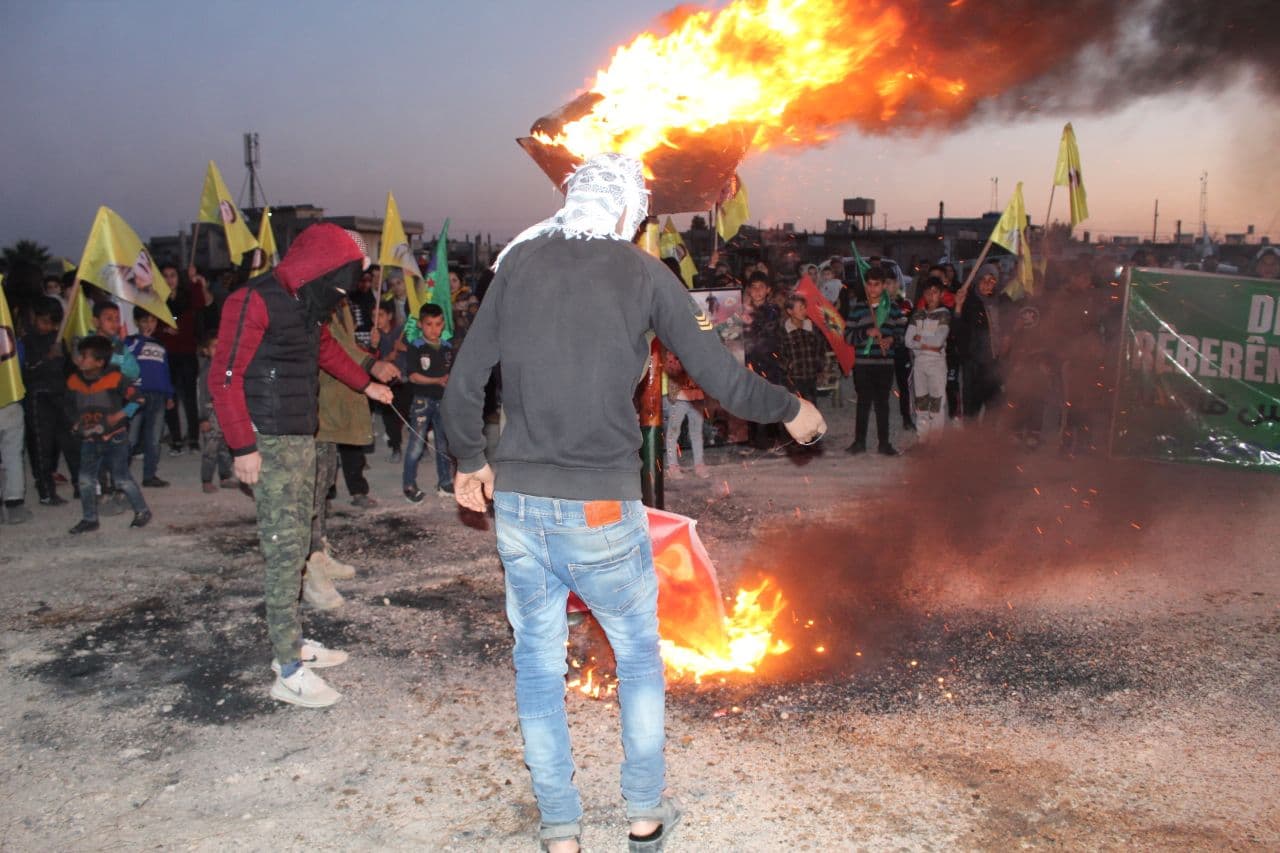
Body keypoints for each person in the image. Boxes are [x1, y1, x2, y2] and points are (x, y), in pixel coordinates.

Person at [441, 153, 826, 853]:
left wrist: (470, 460)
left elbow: (465, 381)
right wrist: (792, 408)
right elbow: (722, 380)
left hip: (520, 506)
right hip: (599, 506)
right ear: (627, 210)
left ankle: (560, 829)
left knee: (537, 666)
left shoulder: (517, 263)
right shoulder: (643, 272)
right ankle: (644, 815)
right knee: (638, 658)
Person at [209, 223, 393, 708]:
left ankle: (292, 642)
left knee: (300, 539)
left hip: (300, 437)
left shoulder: (306, 304)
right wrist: (242, 447)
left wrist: (366, 384)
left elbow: (325, 350)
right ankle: (287, 669)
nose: (343, 292)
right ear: (322, 268)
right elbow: (224, 377)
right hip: (267, 442)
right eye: (343, 279)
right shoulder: (253, 300)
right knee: (284, 549)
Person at [66, 335, 151, 534]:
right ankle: (89, 519)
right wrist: (75, 423)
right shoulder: (74, 381)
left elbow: (139, 400)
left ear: (100, 362)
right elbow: (68, 406)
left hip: (115, 437)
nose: (80, 359)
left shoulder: (115, 378)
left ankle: (142, 511)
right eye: (79, 355)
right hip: (89, 438)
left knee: (121, 479)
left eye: (85, 356)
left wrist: (118, 416)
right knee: (85, 480)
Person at [20, 297, 78, 507]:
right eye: (44, 321)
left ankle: (81, 485)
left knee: (71, 442)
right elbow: (25, 371)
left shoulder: (59, 339)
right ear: (34, 318)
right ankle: (45, 490)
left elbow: (68, 369)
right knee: (41, 446)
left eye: (53, 323)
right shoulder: (26, 341)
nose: (48, 327)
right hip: (38, 397)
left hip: (61, 395)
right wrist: (46, 358)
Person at [846, 266, 907, 456]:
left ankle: (884, 443)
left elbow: (902, 334)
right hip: (863, 364)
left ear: (884, 286)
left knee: (882, 403)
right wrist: (866, 332)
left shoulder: (892, 309)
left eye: (877, 284)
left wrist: (891, 340)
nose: (873, 288)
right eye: (870, 284)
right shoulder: (858, 309)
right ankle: (859, 442)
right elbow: (847, 336)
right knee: (863, 403)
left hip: (884, 364)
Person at [402, 303, 454, 502]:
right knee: (416, 444)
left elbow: (451, 372)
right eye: (429, 324)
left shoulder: (447, 347)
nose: (434, 329)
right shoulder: (416, 347)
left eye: (438, 324)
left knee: (443, 443)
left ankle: (445, 481)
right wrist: (437, 380)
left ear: (443, 324)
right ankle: (409, 484)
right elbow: (413, 376)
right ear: (420, 325)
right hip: (422, 401)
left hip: (443, 400)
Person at [159, 264, 208, 455]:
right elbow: (152, 325)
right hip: (167, 354)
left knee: (189, 398)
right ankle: (176, 439)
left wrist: (195, 282)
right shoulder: (158, 299)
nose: (169, 279)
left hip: (187, 353)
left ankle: (193, 439)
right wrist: (164, 329)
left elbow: (200, 303)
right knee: (170, 398)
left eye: (173, 275)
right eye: (165, 276)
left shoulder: (186, 296)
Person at [125, 307, 175, 487]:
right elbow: (128, 361)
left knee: (154, 438)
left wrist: (169, 394)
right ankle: (121, 474)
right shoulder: (130, 341)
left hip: (158, 395)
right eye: (145, 321)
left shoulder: (160, 345)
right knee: (130, 437)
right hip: (136, 394)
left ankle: (150, 475)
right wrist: (141, 340)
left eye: (153, 321)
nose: (149, 325)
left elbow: (165, 370)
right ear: (137, 322)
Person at [954, 263, 1007, 420]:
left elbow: (1010, 326)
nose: (987, 284)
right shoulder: (969, 301)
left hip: (995, 361)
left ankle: (987, 435)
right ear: (977, 281)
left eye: (991, 280)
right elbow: (956, 329)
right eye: (983, 279)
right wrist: (958, 306)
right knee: (972, 405)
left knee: (993, 404)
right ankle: (971, 434)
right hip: (973, 361)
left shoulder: (1003, 302)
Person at [904, 277, 951, 443]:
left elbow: (938, 341)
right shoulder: (918, 314)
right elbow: (908, 340)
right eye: (928, 293)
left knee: (937, 402)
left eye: (935, 292)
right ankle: (922, 439)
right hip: (919, 364)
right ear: (923, 294)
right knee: (921, 403)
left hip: (936, 364)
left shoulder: (944, 314)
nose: (931, 296)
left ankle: (936, 442)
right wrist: (927, 342)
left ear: (941, 294)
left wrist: (920, 339)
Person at [195, 333, 235, 493]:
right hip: (211, 412)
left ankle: (225, 477)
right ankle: (206, 480)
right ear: (206, 351)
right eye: (214, 347)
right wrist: (203, 418)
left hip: (225, 412)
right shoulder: (206, 370)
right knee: (211, 449)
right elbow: (201, 395)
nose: (219, 350)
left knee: (225, 446)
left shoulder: (227, 368)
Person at [371, 302, 409, 461]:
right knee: (390, 417)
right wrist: (383, 354)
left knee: (410, 414)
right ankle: (395, 447)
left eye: (380, 315)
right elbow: (371, 362)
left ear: (390, 316)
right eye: (373, 316)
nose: (376, 319)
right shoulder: (375, 336)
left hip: (404, 380)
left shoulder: (401, 332)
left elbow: (416, 352)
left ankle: (422, 445)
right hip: (386, 383)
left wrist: (404, 348)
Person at [663, 350, 709, 479]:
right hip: (679, 398)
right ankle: (672, 467)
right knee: (673, 433)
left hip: (697, 398)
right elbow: (670, 369)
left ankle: (699, 465)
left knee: (696, 433)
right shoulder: (674, 350)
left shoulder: (699, 351)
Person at [779, 294, 827, 405]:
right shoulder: (783, 331)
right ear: (790, 311)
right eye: (800, 308)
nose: (804, 311)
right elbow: (779, 353)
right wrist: (788, 366)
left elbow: (820, 349)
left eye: (804, 307)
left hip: (811, 376)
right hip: (793, 378)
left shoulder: (812, 328)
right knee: (795, 409)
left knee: (811, 407)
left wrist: (820, 368)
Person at [885, 276, 916, 431]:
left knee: (904, 385)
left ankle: (907, 417)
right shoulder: (879, 305)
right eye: (884, 283)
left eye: (889, 283)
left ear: (897, 284)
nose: (886, 287)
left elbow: (908, 326)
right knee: (884, 386)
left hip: (900, 350)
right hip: (884, 352)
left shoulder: (905, 304)